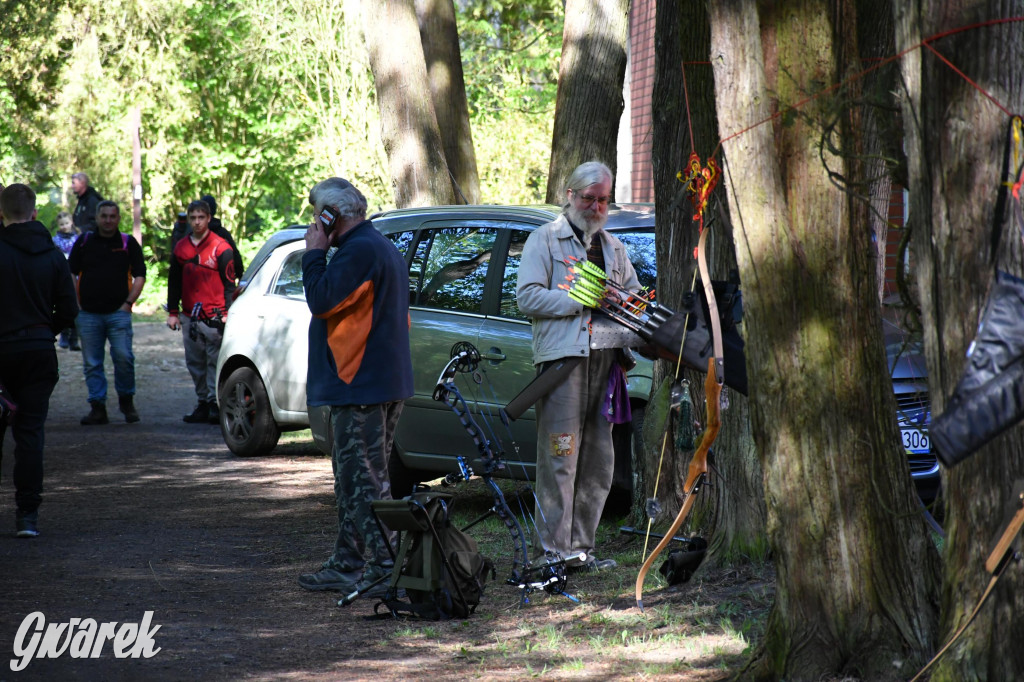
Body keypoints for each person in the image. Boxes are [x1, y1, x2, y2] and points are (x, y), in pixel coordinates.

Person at [515, 160, 641, 573]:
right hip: (564, 366)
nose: (596, 206)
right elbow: (527, 298)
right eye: (588, 198)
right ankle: (552, 553)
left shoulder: (613, 247)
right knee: (560, 458)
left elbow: (636, 300)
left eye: (603, 199)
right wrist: (580, 301)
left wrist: (624, 302)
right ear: (570, 196)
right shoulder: (544, 241)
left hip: (607, 365)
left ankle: (580, 551)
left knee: (599, 463)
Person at [297, 177, 413, 596]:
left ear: (331, 216)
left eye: (317, 215)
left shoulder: (359, 251)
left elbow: (322, 299)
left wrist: (314, 254)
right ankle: (346, 563)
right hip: (379, 383)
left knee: (363, 481)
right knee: (355, 478)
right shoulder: (378, 246)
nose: (314, 222)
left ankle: (384, 567)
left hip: (360, 385)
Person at [0, 183, 79, 537]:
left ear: (3, 213)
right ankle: (27, 515)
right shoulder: (52, 256)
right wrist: (47, 331)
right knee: (30, 434)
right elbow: (70, 309)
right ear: (33, 212)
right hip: (38, 351)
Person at [68, 201, 146, 425]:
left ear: (119, 218)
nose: (108, 220)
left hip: (118, 312)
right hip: (88, 314)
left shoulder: (127, 243)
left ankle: (126, 400)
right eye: (104, 216)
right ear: (97, 217)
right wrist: (77, 304)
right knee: (92, 362)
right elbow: (70, 273)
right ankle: (97, 407)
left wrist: (128, 303)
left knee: (123, 358)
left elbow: (140, 274)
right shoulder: (84, 242)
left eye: (112, 216)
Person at [166, 199, 236, 424]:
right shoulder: (181, 247)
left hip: (214, 315)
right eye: (193, 218)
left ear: (208, 219)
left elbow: (229, 283)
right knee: (194, 361)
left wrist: (228, 313)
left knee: (214, 360)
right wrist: (173, 312)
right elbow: (173, 281)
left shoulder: (221, 247)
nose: (197, 222)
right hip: (189, 314)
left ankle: (217, 403)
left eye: (201, 217)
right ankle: (203, 402)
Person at [52, 211, 81, 350]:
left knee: (75, 304)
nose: (64, 226)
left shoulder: (77, 239)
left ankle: (74, 338)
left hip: (75, 276)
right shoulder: (55, 240)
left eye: (66, 223)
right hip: (61, 276)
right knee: (63, 303)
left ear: (71, 223)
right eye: (61, 224)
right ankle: (64, 334)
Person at [200, 195, 245, 283]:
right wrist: (240, 275)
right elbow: (235, 254)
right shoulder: (223, 233)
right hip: (221, 283)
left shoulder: (194, 234)